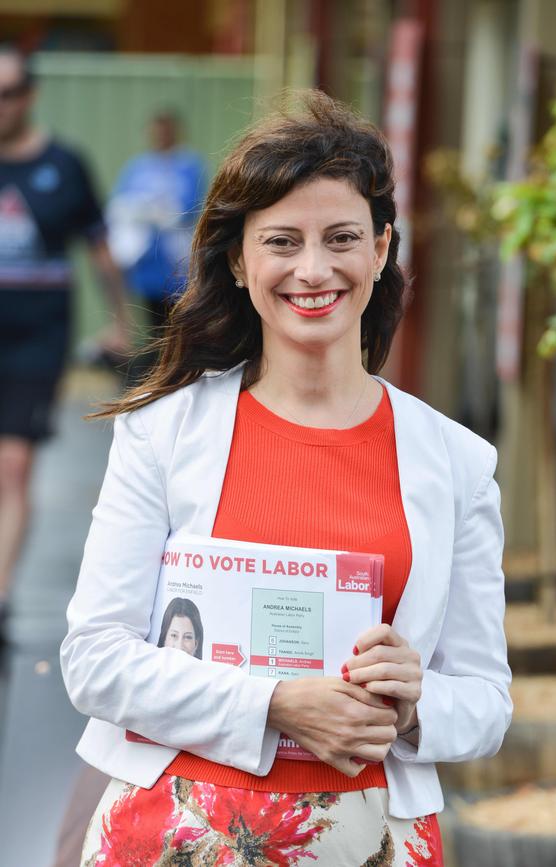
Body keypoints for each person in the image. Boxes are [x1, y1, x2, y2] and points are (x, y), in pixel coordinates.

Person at [61, 90, 512, 865]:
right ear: (239, 260)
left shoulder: (456, 460)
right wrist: (274, 703)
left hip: (372, 838)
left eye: (341, 237)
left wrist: (413, 704)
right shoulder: (163, 433)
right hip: (174, 831)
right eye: (281, 241)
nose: (314, 269)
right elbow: (94, 658)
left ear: (380, 249)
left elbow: (486, 702)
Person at [0, 46, 130, 634]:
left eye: (6, 93)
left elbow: (100, 250)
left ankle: (0, 595)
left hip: (36, 340)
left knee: (13, 465)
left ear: (28, 96)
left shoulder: (65, 165)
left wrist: (120, 322)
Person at [106, 110, 207, 328]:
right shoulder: (138, 167)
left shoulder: (189, 165)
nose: (160, 137)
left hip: (175, 253)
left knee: (180, 312)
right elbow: (121, 203)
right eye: (156, 132)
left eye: (165, 132)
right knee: (154, 316)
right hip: (146, 255)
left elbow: (190, 206)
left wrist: (161, 212)